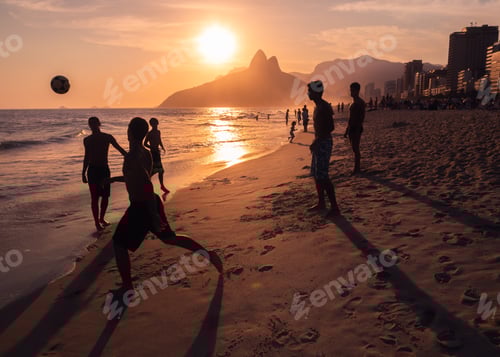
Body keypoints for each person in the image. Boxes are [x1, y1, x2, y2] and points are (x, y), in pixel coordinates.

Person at [110, 117, 222, 290]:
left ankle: (127, 286)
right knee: (170, 238)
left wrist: (153, 214)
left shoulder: (132, 156)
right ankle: (209, 255)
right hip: (150, 201)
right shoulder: (145, 152)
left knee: (119, 243)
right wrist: (113, 179)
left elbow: (145, 182)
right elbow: (138, 178)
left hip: (142, 205)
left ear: (129, 132)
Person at [82, 116, 127, 231]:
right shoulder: (87, 140)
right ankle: (97, 222)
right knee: (94, 198)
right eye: (90, 124)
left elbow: (120, 149)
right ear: (89, 125)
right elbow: (86, 157)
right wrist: (83, 172)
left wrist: (130, 157)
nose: (92, 126)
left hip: (104, 169)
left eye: (94, 123)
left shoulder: (107, 137)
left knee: (105, 196)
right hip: (92, 170)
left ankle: (102, 218)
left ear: (99, 124)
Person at [307, 81, 340, 217]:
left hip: (323, 143)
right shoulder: (317, 106)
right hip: (318, 142)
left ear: (316, 92)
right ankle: (321, 203)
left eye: (310, 91)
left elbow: (330, 127)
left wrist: (318, 140)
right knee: (316, 174)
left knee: (323, 176)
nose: (308, 93)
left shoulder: (325, 107)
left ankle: (334, 207)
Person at [344, 82, 366, 174]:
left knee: (355, 148)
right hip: (351, 127)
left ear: (357, 91)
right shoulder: (353, 102)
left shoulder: (360, 102)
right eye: (350, 90)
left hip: (356, 127)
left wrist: (357, 128)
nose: (351, 92)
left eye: (352, 90)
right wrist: (347, 129)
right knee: (354, 148)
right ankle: (356, 168)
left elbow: (361, 117)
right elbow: (350, 117)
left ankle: (357, 168)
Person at [144, 118, 169, 194]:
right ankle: (147, 187)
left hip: (157, 152)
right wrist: (152, 148)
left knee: (161, 171)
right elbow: (145, 143)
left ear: (157, 123)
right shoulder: (150, 133)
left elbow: (159, 140)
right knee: (153, 171)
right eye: (153, 124)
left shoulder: (158, 132)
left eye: (155, 123)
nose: (154, 125)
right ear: (151, 125)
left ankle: (162, 186)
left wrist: (162, 147)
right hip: (153, 153)